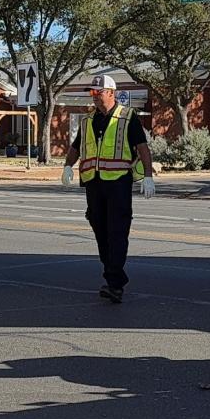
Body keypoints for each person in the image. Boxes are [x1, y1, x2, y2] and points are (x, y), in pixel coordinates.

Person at [60, 74, 156, 304]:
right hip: (94, 182)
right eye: (92, 93)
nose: (94, 97)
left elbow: (142, 147)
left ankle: (114, 283)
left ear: (111, 93)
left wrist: (148, 176)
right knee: (99, 228)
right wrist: (66, 166)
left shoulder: (127, 117)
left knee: (117, 231)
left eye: (98, 92)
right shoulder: (88, 120)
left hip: (118, 182)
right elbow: (76, 147)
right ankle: (114, 276)